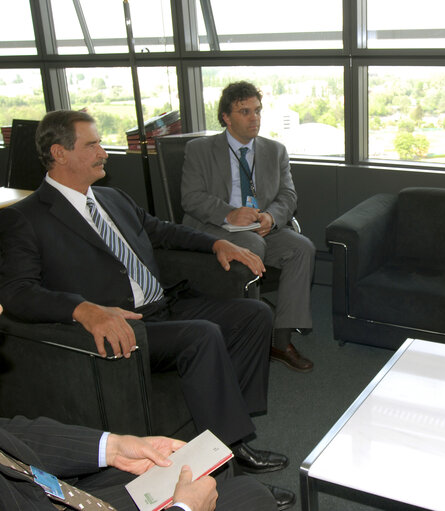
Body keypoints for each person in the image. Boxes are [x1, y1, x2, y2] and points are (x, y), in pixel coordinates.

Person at [0, 110, 294, 509]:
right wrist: (83, 309)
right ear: (59, 152)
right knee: (203, 334)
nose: (105, 152)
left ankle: (229, 437)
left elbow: (162, 231)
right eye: (93, 144)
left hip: (164, 306)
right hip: (127, 328)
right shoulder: (25, 218)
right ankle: (227, 471)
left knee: (254, 315)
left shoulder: (112, 198)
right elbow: (17, 292)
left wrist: (216, 244)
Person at [181, 81, 316, 372]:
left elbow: (288, 196)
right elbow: (190, 198)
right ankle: (251, 342)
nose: (254, 117)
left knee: (302, 248)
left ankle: (280, 340)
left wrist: (271, 217)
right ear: (226, 117)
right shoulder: (200, 150)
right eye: (245, 111)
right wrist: (230, 214)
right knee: (253, 245)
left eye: (257, 111)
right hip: (215, 228)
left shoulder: (275, 150)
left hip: (263, 228)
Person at [0, 414, 277, 511]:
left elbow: (11, 432)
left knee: (206, 467)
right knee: (251, 496)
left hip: (44, 492)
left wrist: (113, 447)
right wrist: (184, 509)